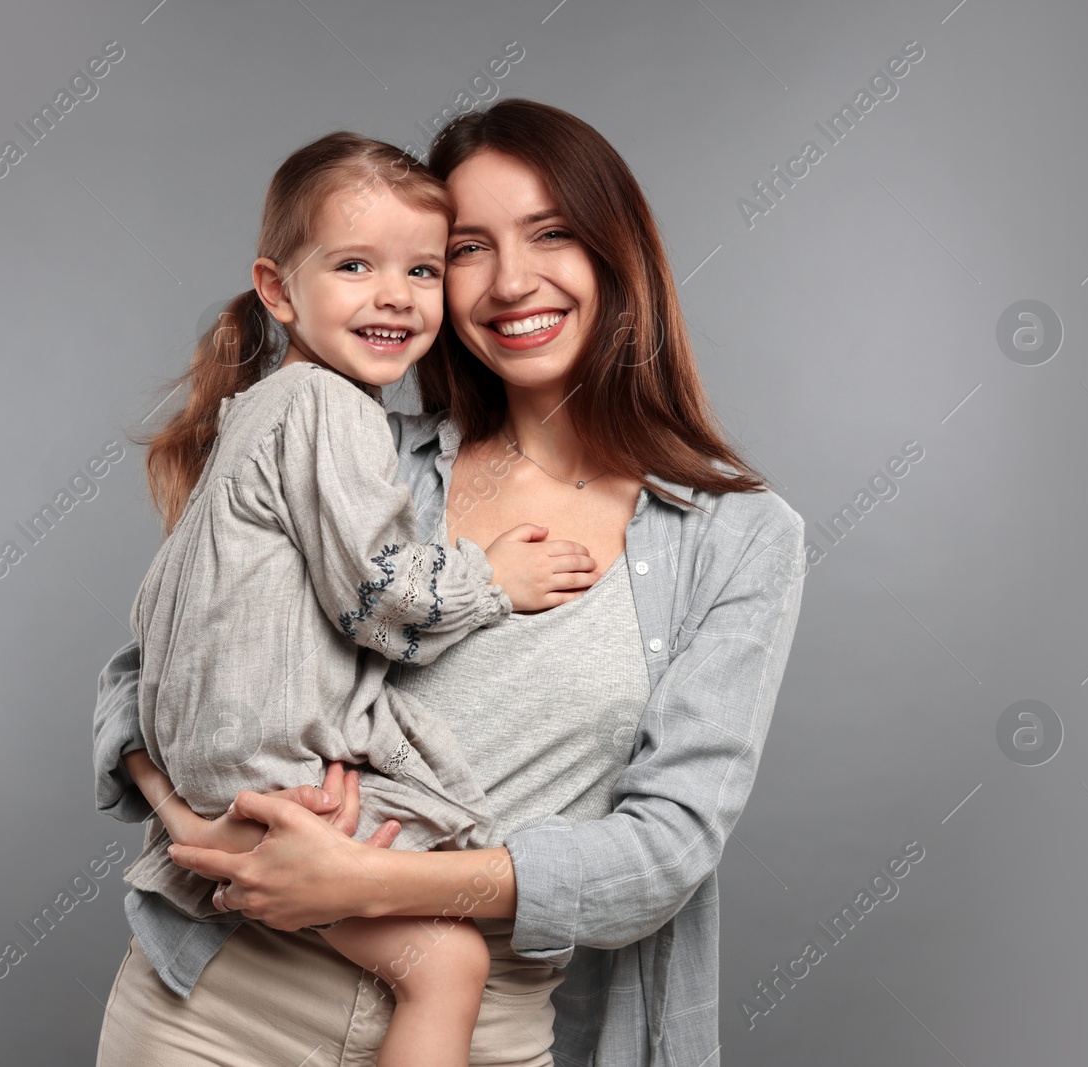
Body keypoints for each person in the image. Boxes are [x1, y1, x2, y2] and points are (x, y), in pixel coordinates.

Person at [93, 99, 808, 1067]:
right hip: (219, 1005)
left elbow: (664, 850)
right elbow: (152, 668)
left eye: (550, 233)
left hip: (474, 1023)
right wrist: (197, 824)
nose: (513, 281)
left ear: (614, 252)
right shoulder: (355, 452)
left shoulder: (734, 538)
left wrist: (362, 884)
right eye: (468, 247)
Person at [117, 130, 599, 1067]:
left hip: (224, 770)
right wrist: (491, 578)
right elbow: (382, 600)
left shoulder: (259, 411)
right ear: (278, 289)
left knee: (445, 928)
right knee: (453, 959)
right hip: (273, 778)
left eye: (421, 268)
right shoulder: (329, 411)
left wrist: (180, 797)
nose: (394, 295)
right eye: (354, 265)